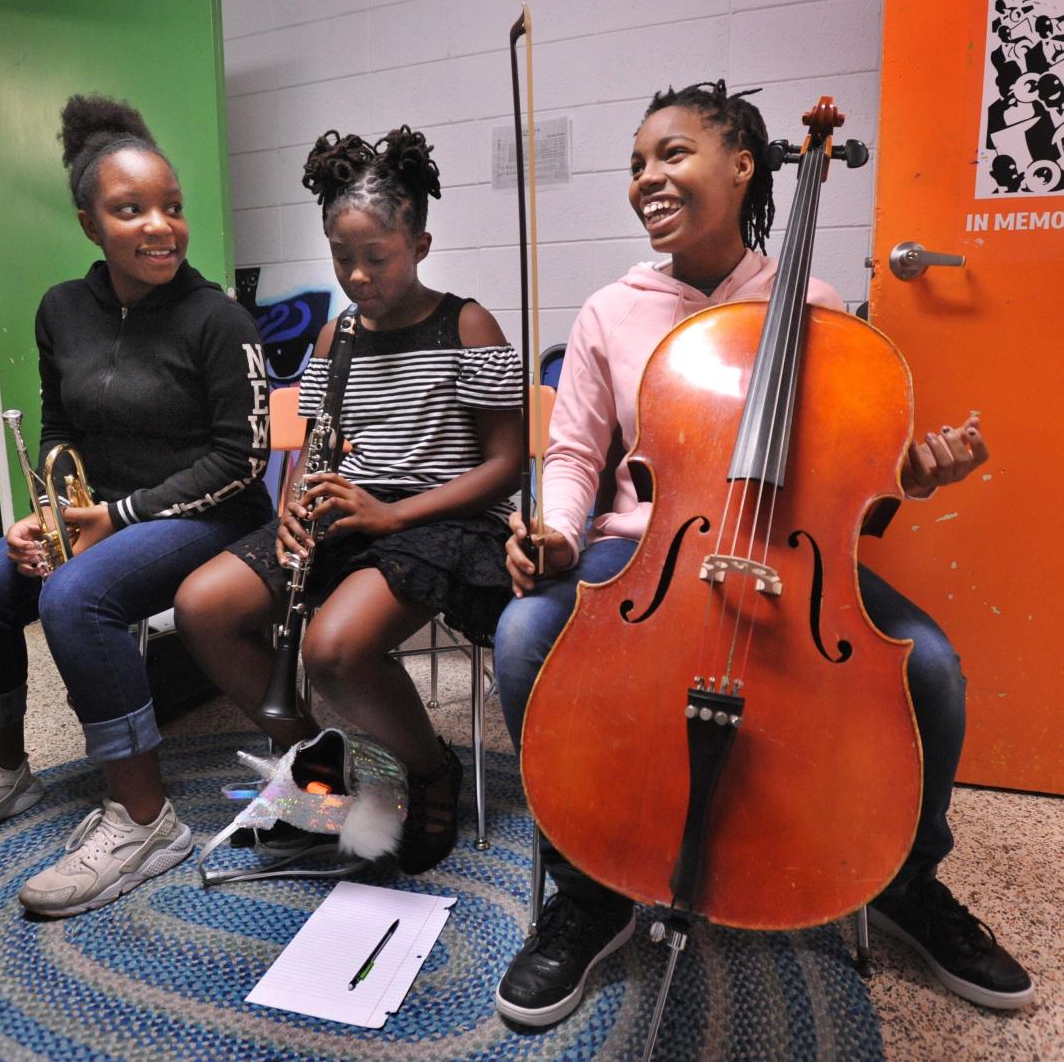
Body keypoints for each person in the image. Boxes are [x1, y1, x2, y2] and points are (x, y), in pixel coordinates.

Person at [492, 80, 1034, 1027]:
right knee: (525, 633)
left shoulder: (816, 305)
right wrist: (559, 530)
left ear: (744, 167)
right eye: (635, 163)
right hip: (648, 554)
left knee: (934, 667)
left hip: (793, 556)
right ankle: (589, 887)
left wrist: (911, 476)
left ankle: (909, 880)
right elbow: (576, 453)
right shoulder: (610, 311)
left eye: (671, 154)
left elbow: (849, 475)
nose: (646, 178)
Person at [0, 95, 273, 917]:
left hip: (210, 515)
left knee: (77, 598)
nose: (160, 226)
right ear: (88, 223)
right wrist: (43, 510)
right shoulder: (60, 311)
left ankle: (146, 820)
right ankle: (2, 772)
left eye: (172, 207)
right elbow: (60, 428)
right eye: (131, 209)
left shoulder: (219, 319)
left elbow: (242, 458)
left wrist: (120, 516)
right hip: (101, 513)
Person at [174, 126, 521, 874]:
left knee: (332, 647)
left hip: (442, 518)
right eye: (341, 257)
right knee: (203, 605)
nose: (357, 276)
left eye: (377, 257)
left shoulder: (467, 324)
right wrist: (297, 502)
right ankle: (313, 764)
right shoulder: (338, 336)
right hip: (355, 511)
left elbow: (507, 465)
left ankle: (429, 768)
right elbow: (319, 446)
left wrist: (393, 514)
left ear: (420, 244)